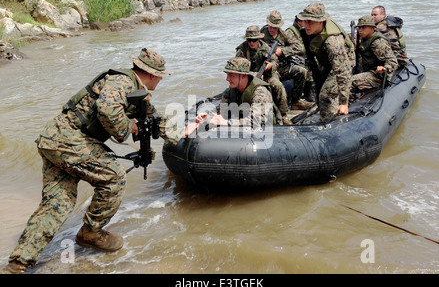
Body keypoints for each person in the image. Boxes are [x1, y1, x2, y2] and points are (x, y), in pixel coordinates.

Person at [2, 48, 184, 274]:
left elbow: (154, 118)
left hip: (54, 139)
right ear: (154, 75)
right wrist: (129, 128)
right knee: (114, 178)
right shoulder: (123, 82)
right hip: (70, 139)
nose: (160, 82)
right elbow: (107, 109)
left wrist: (183, 135)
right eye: (161, 78)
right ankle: (90, 234)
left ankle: (17, 264)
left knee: (57, 204)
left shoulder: (136, 91)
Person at [297, 2, 355, 122]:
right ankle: (324, 112)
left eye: (310, 22)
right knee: (317, 87)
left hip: (344, 63)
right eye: (305, 21)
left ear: (320, 21)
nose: (306, 25)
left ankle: (331, 122)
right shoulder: (309, 32)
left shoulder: (333, 41)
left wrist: (344, 102)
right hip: (326, 60)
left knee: (325, 94)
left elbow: (342, 71)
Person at [192, 57, 281, 130]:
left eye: (231, 76)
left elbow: (257, 121)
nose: (227, 79)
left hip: (268, 130)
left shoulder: (260, 92)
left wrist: (227, 122)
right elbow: (221, 110)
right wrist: (207, 118)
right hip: (244, 123)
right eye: (227, 75)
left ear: (243, 76)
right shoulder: (231, 90)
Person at [235, 25, 290, 124]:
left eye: (254, 40)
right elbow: (238, 69)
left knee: (278, 86)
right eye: (249, 40)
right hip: (248, 78)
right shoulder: (242, 50)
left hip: (266, 75)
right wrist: (253, 74)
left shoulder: (267, 48)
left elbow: (275, 62)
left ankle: (283, 115)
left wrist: (270, 66)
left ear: (259, 38)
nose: (251, 43)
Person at [261, 10, 313, 110]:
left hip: (282, 66)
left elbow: (299, 47)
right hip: (268, 67)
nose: (272, 29)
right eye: (271, 26)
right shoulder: (262, 35)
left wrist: (283, 51)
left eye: (275, 27)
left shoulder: (283, 34)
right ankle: (282, 111)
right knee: (277, 84)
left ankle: (296, 101)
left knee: (302, 71)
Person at [351, 15, 398, 94]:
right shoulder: (363, 37)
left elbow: (392, 61)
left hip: (378, 76)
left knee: (348, 83)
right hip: (368, 70)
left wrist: (385, 68)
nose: (360, 30)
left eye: (364, 27)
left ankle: (347, 104)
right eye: (359, 28)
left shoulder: (378, 42)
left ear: (372, 28)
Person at [284, 13, 316, 108]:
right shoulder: (291, 31)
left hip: (305, 57)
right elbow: (289, 47)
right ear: (299, 22)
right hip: (295, 58)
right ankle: (306, 94)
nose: (307, 24)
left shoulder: (306, 31)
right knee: (305, 68)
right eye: (304, 22)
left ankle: (310, 91)